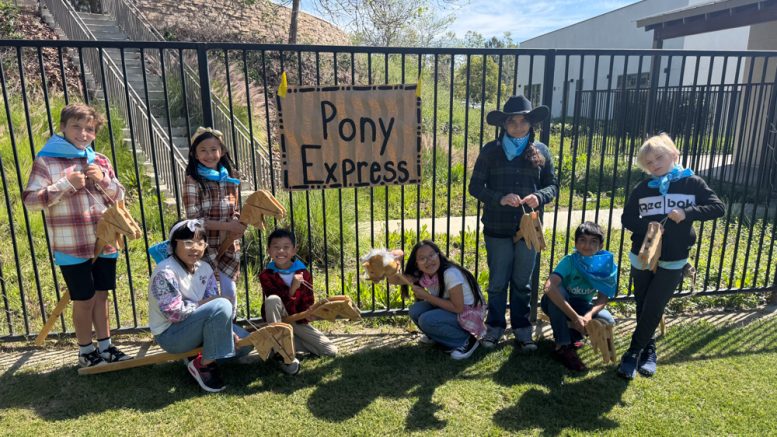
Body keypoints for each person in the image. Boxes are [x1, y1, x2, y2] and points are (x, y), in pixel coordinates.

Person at [23, 103, 130, 368]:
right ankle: (85, 351)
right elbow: (31, 201)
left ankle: (105, 346)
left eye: (89, 129)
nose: (83, 134)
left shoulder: (100, 160)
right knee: (84, 299)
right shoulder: (46, 160)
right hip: (71, 245)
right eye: (77, 127)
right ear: (62, 128)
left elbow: (120, 196)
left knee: (102, 295)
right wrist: (65, 185)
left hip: (104, 242)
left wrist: (104, 179)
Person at [618, 133, 725, 379]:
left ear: (674, 155)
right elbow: (627, 219)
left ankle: (633, 353)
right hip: (643, 255)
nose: (655, 165)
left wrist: (688, 212)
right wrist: (649, 225)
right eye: (649, 163)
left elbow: (717, 207)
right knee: (643, 304)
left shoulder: (692, 183)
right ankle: (650, 348)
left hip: (675, 257)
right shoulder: (643, 187)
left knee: (655, 305)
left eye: (659, 158)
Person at [468, 95, 558, 350]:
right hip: (496, 227)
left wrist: (538, 196)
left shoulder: (542, 151)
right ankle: (494, 327)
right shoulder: (490, 150)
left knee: (522, 282)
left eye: (523, 121)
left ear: (531, 123)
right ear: (504, 124)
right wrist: (499, 198)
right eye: (512, 122)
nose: (518, 127)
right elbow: (475, 186)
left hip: (528, 227)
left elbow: (552, 186)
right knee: (498, 281)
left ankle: (521, 328)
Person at [148, 219, 252, 393]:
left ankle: (194, 354)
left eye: (200, 242)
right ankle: (203, 364)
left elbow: (214, 308)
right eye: (188, 242)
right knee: (221, 304)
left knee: (245, 345)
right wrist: (207, 304)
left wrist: (227, 330)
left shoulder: (205, 268)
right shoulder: (165, 272)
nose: (195, 247)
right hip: (171, 334)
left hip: (195, 327)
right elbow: (174, 314)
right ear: (174, 244)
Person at [183, 127, 246, 319]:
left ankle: (229, 324)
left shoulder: (230, 177)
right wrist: (228, 226)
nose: (209, 155)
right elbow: (194, 220)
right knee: (207, 292)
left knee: (230, 291)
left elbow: (235, 209)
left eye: (213, 149)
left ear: (222, 151)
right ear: (194, 153)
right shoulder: (193, 180)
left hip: (228, 243)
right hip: (203, 245)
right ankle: (210, 325)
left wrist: (237, 223)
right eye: (203, 150)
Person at [541, 222, 617, 371]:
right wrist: (576, 317)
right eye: (582, 240)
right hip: (556, 303)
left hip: (581, 305)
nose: (587, 245)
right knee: (558, 292)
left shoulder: (604, 266)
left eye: (593, 241)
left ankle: (574, 336)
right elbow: (549, 287)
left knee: (607, 320)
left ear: (600, 246)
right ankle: (563, 346)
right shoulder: (570, 260)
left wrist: (588, 315)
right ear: (575, 243)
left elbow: (603, 298)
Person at [259, 229, 335, 373]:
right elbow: (276, 303)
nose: (281, 251)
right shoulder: (266, 275)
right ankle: (283, 354)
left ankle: (279, 343)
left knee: (330, 351)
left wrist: (311, 312)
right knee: (272, 300)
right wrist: (292, 289)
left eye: (286, 247)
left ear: (294, 250)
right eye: (276, 247)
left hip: (296, 320)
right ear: (269, 250)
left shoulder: (304, 273)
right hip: (278, 319)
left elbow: (308, 301)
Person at [402, 240, 486, 360]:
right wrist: (389, 264)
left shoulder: (450, 273)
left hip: (467, 313)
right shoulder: (424, 274)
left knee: (426, 320)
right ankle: (437, 335)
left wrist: (427, 296)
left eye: (431, 255)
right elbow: (396, 279)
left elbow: (458, 307)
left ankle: (466, 341)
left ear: (438, 255)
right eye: (422, 258)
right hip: (450, 309)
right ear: (417, 264)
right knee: (415, 310)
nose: (429, 261)